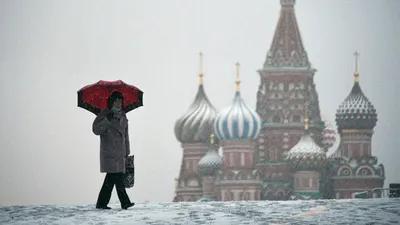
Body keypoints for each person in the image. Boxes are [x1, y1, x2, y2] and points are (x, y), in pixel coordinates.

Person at [92, 91, 135, 210]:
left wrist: (127, 151)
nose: (118, 103)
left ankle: (102, 203)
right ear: (111, 102)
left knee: (112, 179)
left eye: (120, 101)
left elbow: (126, 135)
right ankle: (124, 202)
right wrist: (106, 120)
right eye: (116, 101)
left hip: (120, 153)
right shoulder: (104, 114)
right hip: (109, 152)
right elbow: (96, 130)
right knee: (115, 177)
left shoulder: (124, 116)